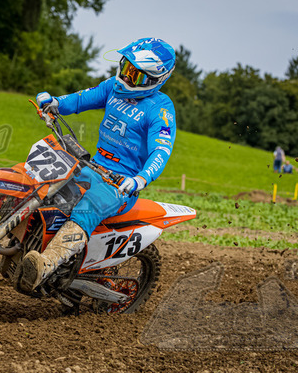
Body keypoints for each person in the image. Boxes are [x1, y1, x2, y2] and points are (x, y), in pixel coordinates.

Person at [15, 37, 177, 293]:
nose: (126, 76)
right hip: (91, 166)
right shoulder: (113, 87)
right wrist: (56, 103)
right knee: (40, 182)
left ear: (155, 79)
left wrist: (140, 179)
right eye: (125, 67)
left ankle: (45, 265)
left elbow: (161, 150)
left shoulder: (161, 110)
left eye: (135, 74)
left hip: (119, 183)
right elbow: (81, 99)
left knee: (87, 208)